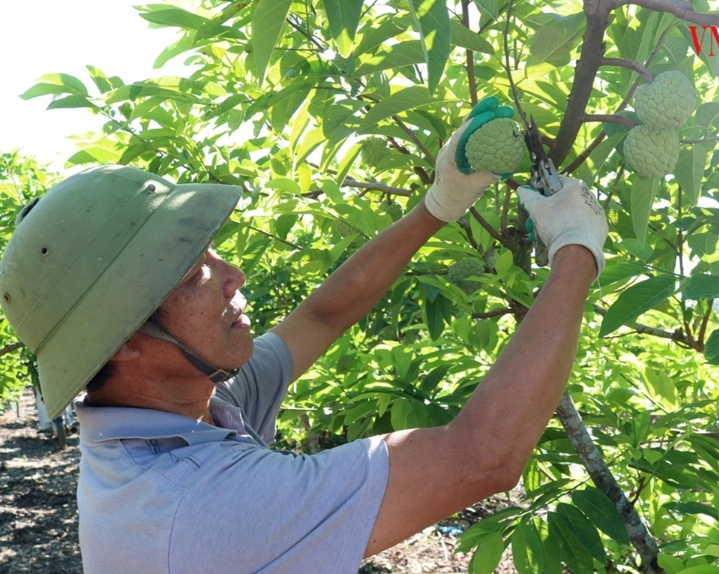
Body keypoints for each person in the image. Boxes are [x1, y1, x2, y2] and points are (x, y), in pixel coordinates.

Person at [0, 98, 607, 573]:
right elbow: (482, 457)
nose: (232, 276)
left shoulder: (191, 402)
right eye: (192, 276)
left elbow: (321, 316)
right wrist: (576, 252)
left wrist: (438, 204)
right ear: (124, 339)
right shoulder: (192, 508)